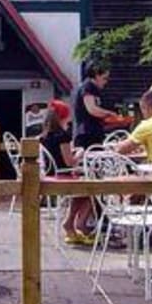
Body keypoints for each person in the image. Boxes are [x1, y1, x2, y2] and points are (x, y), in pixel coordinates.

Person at [40, 99, 95, 245]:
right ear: (63, 117)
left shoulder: (44, 136)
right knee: (93, 189)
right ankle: (80, 223)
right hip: (63, 174)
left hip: (51, 174)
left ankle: (69, 223)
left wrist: (71, 152)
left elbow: (57, 155)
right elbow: (70, 162)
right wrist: (80, 153)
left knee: (82, 191)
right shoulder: (62, 135)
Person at [71, 64, 114, 150]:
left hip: (93, 131)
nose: (106, 82)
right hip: (86, 133)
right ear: (97, 76)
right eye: (104, 78)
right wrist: (110, 114)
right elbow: (92, 109)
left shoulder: (94, 89)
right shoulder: (88, 87)